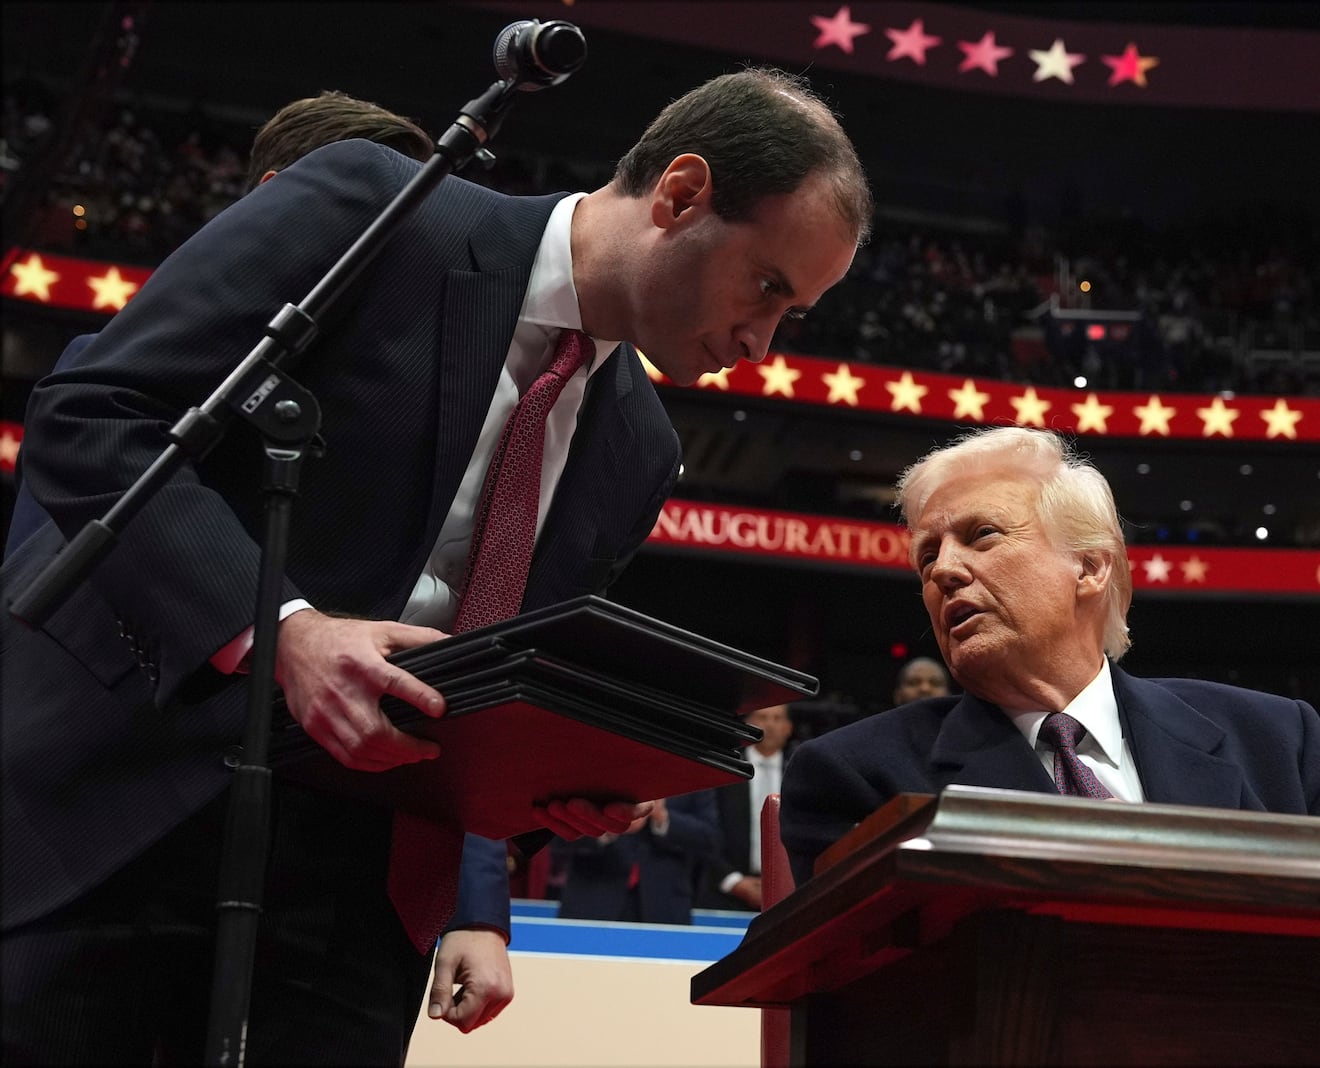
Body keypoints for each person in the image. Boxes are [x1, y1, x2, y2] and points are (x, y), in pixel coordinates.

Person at [2, 67, 870, 1063]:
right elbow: (90, 419)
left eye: (793, 314)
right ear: (679, 195)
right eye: (768, 286)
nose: (763, 341)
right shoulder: (375, 207)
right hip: (126, 819)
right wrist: (285, 633)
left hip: (359, 910)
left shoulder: (641, 447)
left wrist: (545, 789)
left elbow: (495, 674)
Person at [779, 427, 1320, 884]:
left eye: (983, 535)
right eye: (928, 557)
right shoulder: (856, 775)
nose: (945, 572)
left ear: (1089, 566)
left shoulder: (1274, 738)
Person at [4, 89, 434, 557]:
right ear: (277, 196)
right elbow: (37, 598)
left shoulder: (403, 400)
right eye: (382, 216)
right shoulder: (108, 379)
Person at [553, 791, 719, 925]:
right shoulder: (593, 763)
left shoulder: (691, 769)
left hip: (665, 909)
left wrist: (662, 818)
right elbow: (556, 835)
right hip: (590, 904)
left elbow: (710, 838)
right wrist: (607, 828)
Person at [696, 703, 794, 911]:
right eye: (763, 717)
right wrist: (734, 882)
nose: (770, 724)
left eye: (777, 719)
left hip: (788, 897)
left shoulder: (800, 772)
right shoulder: (726, 767)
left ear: (788, 727)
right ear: (748, 724)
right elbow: (706, 829)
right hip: (724, 894)